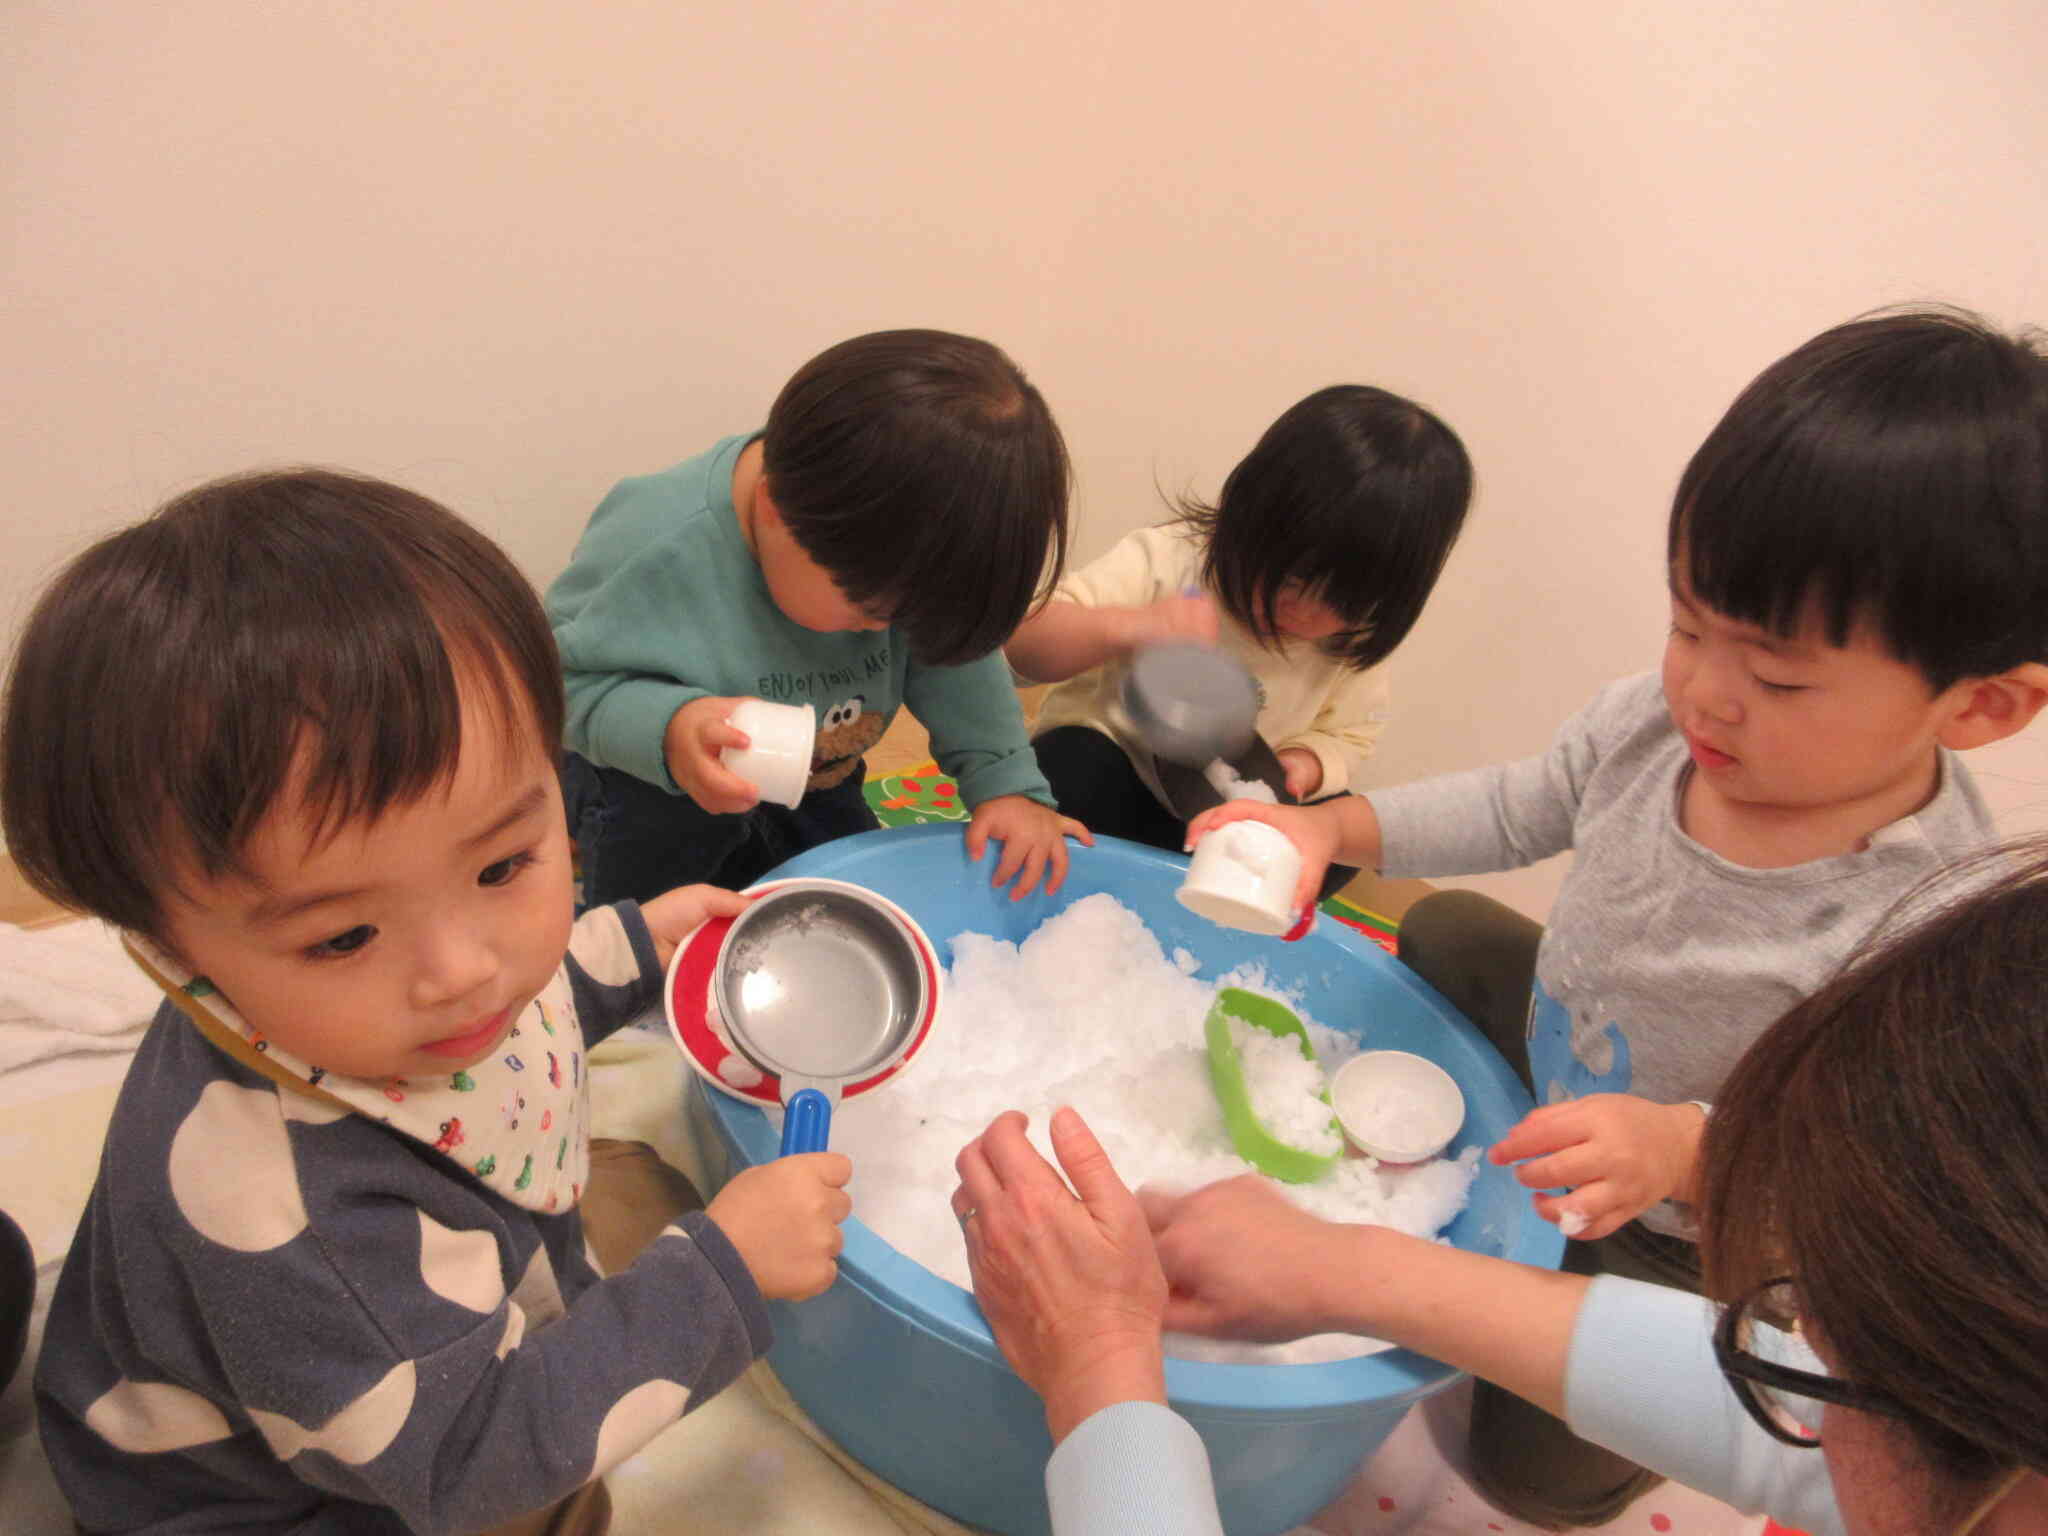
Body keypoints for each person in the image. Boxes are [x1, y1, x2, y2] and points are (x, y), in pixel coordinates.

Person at [1185, 307, 2048, 1524]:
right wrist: (1333, 829)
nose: (1704, 689)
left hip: (1686, 1210)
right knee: (1437, 933)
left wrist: (1685, 1152)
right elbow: (1516, 805)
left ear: (1978, 709)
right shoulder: (1660, 718)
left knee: (1530, 1479)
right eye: (1688, 624)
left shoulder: (1923, 926)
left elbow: (1846, 1164)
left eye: (1778, 677)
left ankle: (1581, 1443)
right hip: (1574, 1023)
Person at [0, 470, 854, 1534]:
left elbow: (521, 1007)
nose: (464, 969)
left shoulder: (370, 998)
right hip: (290, 1496)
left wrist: (639, 942)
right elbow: (467, 1464)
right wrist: (717, 1278)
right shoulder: (297, 1223)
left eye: (504, 864)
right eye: (344, 934)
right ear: (173, 948)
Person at [953, 839, 2048, 1536]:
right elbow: (1797, 1421)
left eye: (1801, 1307)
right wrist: (1346, 1264)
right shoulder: (1969, 1446)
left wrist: (1098, 1369)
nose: (1789, 1351)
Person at [548, 328, 1088, 909]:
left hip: (817, 771)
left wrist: (1007, 785)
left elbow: (958, 667)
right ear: (774, 510)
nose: (887, 632)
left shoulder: (901, 557)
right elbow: (561, 686)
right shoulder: (653, 545)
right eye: (872, 612)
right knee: (653, 933)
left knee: (844, 902)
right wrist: (670, 727)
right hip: (652, 788)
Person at [1005, 384, 1472, 868]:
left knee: (1343, 836)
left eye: (1342, 602)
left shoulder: (1351, 645)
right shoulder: (1171, 564)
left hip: (1224, 817)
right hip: (1114, 788)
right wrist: (1132, 626)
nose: (1304, 612)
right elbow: (1024, 645)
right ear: (1248, 519)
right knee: (1073, 761)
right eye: (1291, 578)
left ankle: (1199, 884)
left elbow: (1349, 736)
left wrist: (1305, 765)